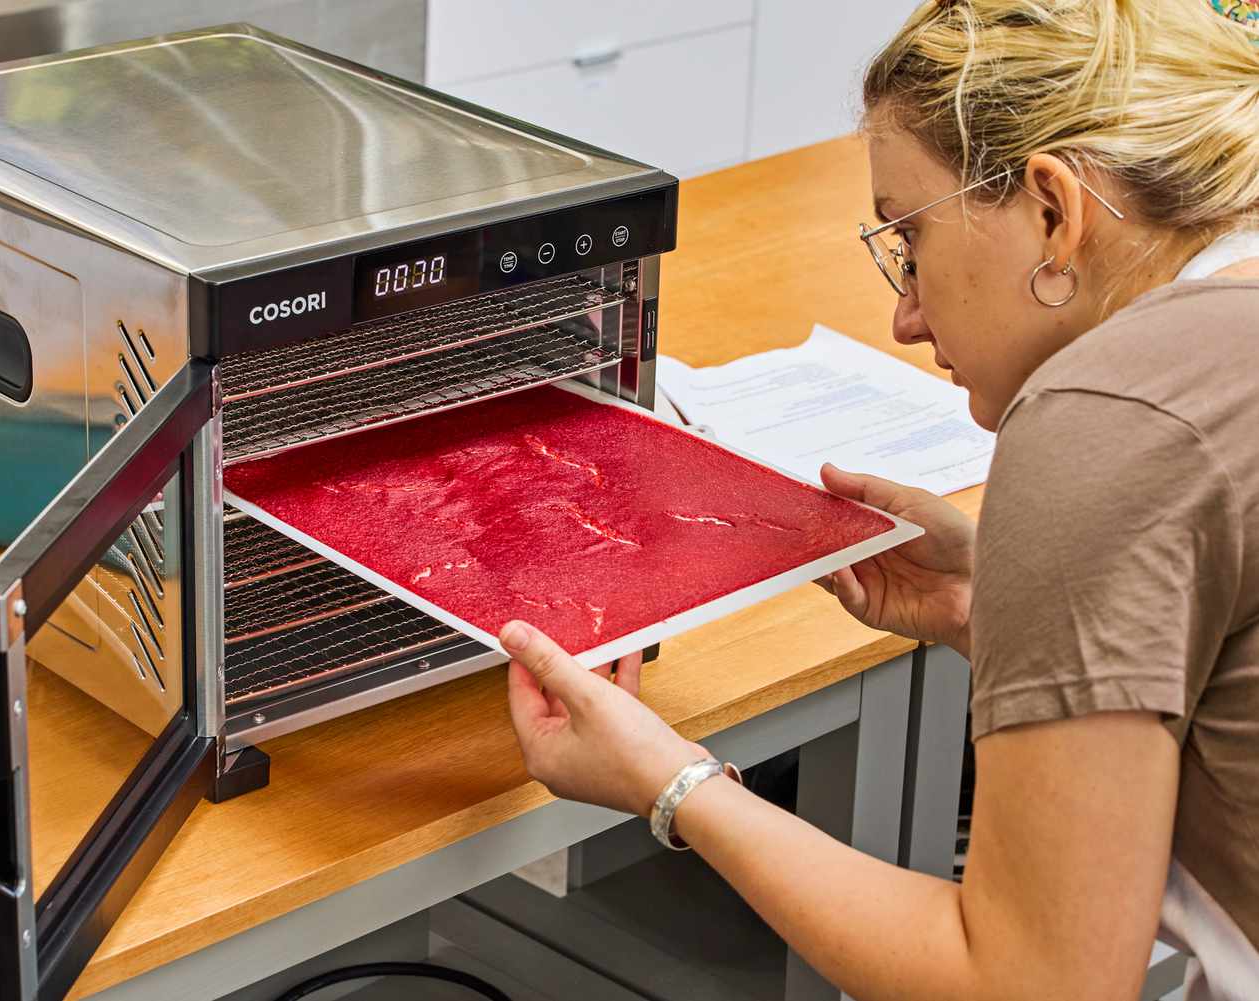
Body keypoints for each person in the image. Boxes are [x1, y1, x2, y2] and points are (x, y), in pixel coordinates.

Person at [498, 1, 1259, 998]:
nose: (904, 314)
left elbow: (1034, 984)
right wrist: (997, 607)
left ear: (1052, 211)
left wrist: (670, 779)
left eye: (911, 240)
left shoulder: (1101, 416)